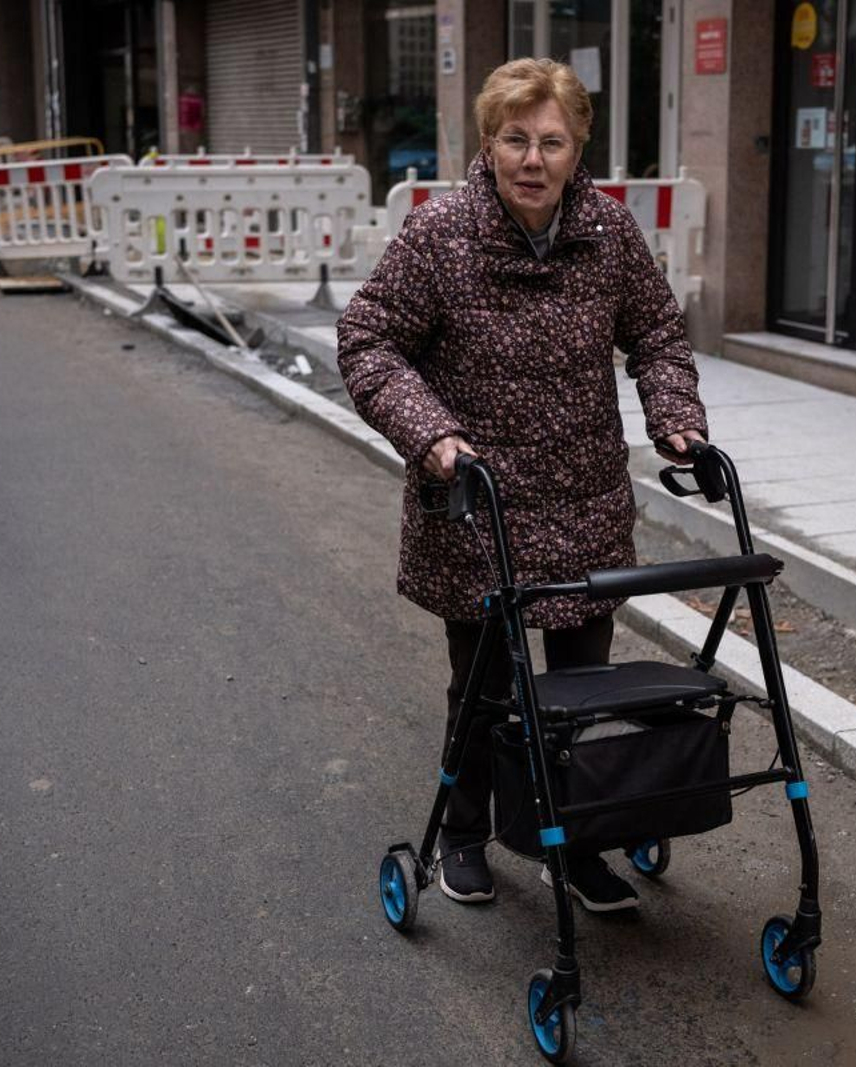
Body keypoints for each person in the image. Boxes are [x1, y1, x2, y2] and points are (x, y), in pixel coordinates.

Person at [335, 58, 708, 913]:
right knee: (486, 687)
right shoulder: (441, 236)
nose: (533, 159)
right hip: (478, 502)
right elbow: (368, 341)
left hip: (583, 500)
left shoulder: (610, 236)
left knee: (577, 693)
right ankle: (467, 834)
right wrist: (432, 434)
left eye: (552, 142)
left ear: (579, 151)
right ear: (489, 143)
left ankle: (571, 843)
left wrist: (674, 412)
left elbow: (655, 331)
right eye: (516, 139)